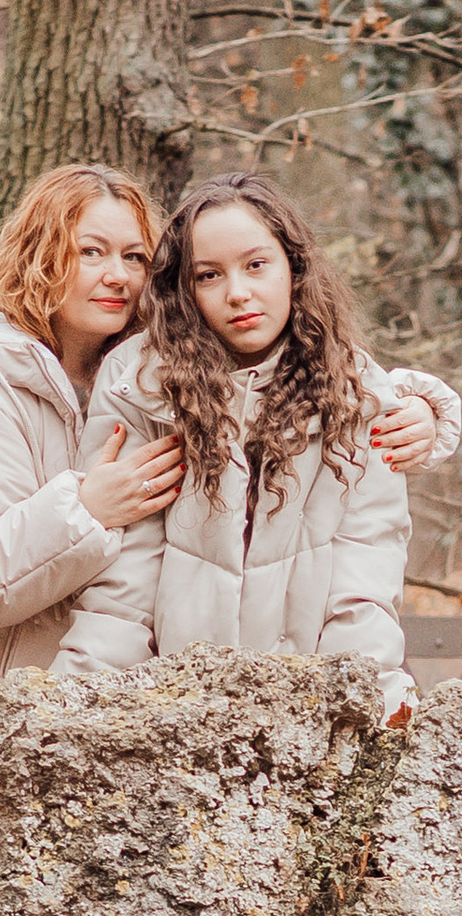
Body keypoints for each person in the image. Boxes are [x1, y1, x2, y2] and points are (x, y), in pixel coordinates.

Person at [0, 160, 457, 722]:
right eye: (90, 251)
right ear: (37, 258)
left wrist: (415, 404)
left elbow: (366, 565)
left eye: (135, 256)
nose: (119, 275)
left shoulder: (132, 378)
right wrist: (87, 510)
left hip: (167, 717)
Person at [56, 168, 437, 703]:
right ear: (184, 291)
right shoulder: (141, 387)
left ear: (293, 269)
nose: (238, 293)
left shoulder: (359, 396)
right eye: (209, 276)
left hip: (312, 709)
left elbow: (365, 585)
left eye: (257, 266)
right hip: (175, 710)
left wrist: (354, 710)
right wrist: (79, 706)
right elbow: (123, 588)